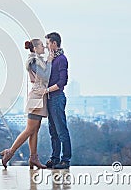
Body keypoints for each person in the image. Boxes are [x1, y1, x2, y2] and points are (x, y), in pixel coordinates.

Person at [0, 38, 53, 169]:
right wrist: (50, 61)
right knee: (30, 129)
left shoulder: (36, 60)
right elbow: (45, 76)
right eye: (41, 46)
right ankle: (10, 152)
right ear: (35, 48)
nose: (44, 48)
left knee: (35, 129)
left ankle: (33, 158)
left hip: (39, 95)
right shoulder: (34, 61)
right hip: (37, 96)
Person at [43, 32, 72, 169]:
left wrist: (47, 90)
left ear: (54, 43)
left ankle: (65, 160)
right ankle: (55, 158)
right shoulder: (52, 59)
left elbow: (62, 82)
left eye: (48, 43)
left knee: (61, 131)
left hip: (56, 97)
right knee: (53, 131)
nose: (47, 46)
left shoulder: (61, 59)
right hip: (50, 98)